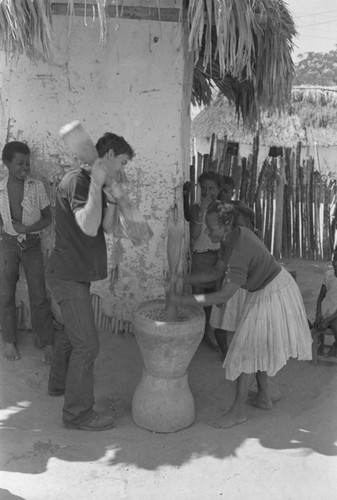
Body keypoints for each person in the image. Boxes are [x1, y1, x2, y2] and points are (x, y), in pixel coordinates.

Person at [171, 200, 312, 428]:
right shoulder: (234, 235)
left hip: (274, 292)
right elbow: (217, 271)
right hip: (266, 289)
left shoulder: (239, 248)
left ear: (226, 226)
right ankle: (263, 397)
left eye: (211, 228)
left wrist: (185, 300)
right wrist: (185, 280)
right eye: (206, 227)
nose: (207, 232)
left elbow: (223, 295)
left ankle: (237, 412)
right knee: (257, 345)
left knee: (247, 349)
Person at [46, 132, 135, 431]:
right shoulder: (77, 181)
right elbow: (86, 225)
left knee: (73, 334)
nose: (122, 169)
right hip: (66, 275)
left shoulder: (96, 184)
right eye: (121, 162)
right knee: (88, 346)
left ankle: (58, 385)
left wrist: (111, 201)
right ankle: (77, 414)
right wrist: (97, 184)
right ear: (108, 155)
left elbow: (106, 228)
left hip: (78, 273)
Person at [0, 141, 54, 362]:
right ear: (6, 164)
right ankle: (9, 340)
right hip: (8, 245)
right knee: (5, 294)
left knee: (39, 295)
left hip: (32, 244)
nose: (25, 168)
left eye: (28, 164)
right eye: (20, 164)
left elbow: (48, 218)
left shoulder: (36, 186)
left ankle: (45, 341)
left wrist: (28, 229)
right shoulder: (1, 189)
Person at [210, 201, 256, 357]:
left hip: (245, 290)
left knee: (245, 324)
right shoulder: (227, 243)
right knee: (220, 323)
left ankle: (241, 353)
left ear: (251, 226)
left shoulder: (254, 242)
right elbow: (220, 269)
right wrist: (218, 290)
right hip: (228, 287)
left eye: (244, 225)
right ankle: (225, 352)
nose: (240, 229)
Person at [189, 171, 224, 350]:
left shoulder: (223, 209)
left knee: (212, 297)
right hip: (200, 257)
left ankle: (207, 332)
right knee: (198, 298)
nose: (208, 192)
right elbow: (194, 234)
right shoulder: (196, 208)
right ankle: (197, 334)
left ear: (219, 190)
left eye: (212, 188)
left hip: (217, 258)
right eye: (204, 188)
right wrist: (203, 210)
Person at [313, 252, 337, 357]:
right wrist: (318, 314)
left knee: (335, 326)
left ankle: (335, 347)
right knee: (316, 325)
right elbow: (320, 297)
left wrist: (327, 320)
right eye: (334, 259)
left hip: (335, 314)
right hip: (325, 309)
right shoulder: (328, 275)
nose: (335, 263)